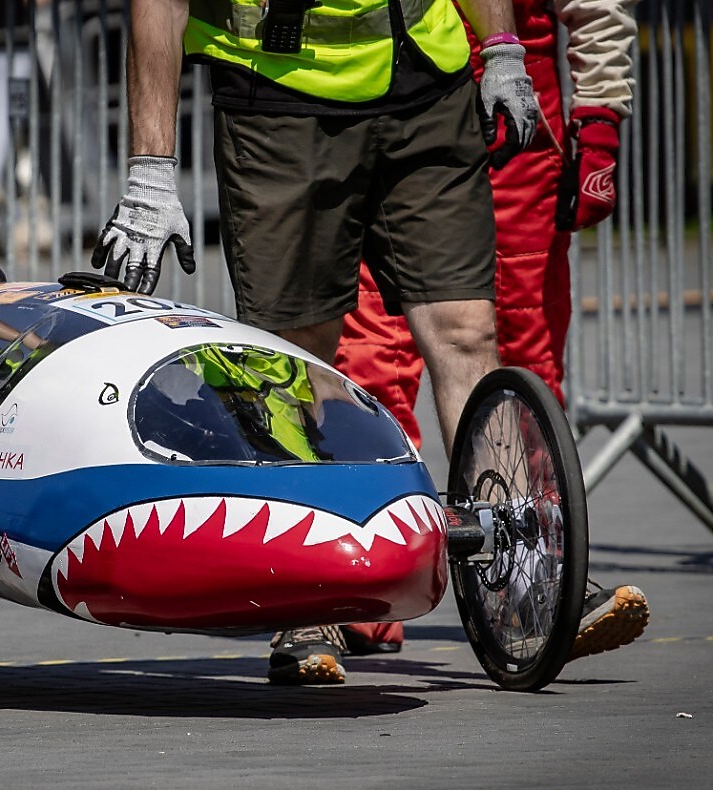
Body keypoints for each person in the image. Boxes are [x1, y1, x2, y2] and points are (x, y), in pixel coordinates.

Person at [92, 0, 540, 684]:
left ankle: (522, 571)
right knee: (294, 352)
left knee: (466, 329)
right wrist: (151, 170)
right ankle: (306, 600)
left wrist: (503, 47)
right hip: (279, 93)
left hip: (424, 75)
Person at [334, 0, 648, 670]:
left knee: (523, 353)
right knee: (370, 351)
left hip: (519, 108)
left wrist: (600, 124)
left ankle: (535, 578)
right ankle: (359, 579)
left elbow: (596, 7)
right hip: (392, 95)